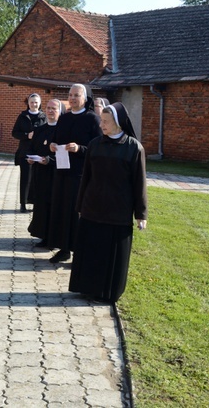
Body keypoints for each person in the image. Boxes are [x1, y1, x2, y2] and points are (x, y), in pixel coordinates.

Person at [70, 102, 148, 302]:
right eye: (101, 121)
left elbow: (139, 183)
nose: (101, 125)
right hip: (92, 208)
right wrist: (80, 205)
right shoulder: (95, 144)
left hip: (118, 211)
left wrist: (141, 214)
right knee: (91, 250)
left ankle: (107, 293)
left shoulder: (133, 148)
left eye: (106, 122)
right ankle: (86, 288)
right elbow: (86, 177)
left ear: (119, 123)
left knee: (111, 254)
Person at [47, 84, 102, 263]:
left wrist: (79, 148)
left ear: (85, 98)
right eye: (70, 95)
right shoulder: (64, 118)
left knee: (76, 213)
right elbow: (55, 140)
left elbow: (98, 148)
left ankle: (80, 252)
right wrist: (52, 146)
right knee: (61, 211)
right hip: (61, 171)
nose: (72, 98)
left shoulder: (93, 119)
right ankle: (64, 248)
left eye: (76, 95)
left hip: (80, 174)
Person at [25, 98, 64, 247]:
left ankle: (54, 238)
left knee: (54, 206)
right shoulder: (40, 130)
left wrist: (49, 159)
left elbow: (63, 153)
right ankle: (43, 235)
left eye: (54, 108)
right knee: (41, 206)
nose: (50, 111)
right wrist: (30, 157)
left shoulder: (62, 130)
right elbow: (31, 148)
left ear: (60, 111)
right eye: (48, 108)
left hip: (56, 175)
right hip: (40, 174)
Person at [12, 93, 47, 213]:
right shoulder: (22, 116)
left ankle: (36, 203)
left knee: (38, 179)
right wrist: (27, 135)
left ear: (40, 103)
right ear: (28, 103)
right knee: (25, 179)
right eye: (32, 102)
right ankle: (23, 203)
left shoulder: (43, 116)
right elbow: (15, 133)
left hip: (39, 152)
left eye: (36, 102)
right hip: (25, 152)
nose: (34, 104)